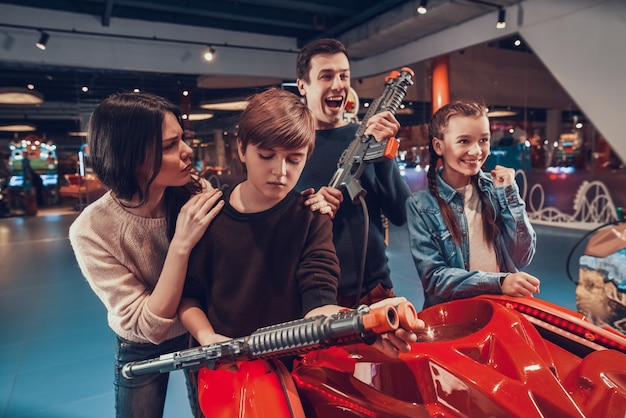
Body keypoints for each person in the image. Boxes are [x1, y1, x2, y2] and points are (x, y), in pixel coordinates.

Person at [179, 88, 421, 378]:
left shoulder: (311, 218)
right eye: (266, 156)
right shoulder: (208, 214)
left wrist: (364, 323)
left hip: (289, 371)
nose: (280, 171)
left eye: (294, 160)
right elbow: (188, 296)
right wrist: (206, 337)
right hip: (222, 370)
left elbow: (318, 303)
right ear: (242, 149)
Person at [69, 92, 225, 418]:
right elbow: (148, 326)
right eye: (170, 146)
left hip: (201, 326)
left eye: (182, 139)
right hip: (141, 343)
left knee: (212, 412)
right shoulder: (92, 230)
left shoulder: (197, 193)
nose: (186, 152)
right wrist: (181, 242)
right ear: (131, 157)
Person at [294, 38, 411, 308]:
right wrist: (309, 209)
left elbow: (401, 214)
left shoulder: (366, 138)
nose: (338, 85)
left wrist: (383, 156)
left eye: (344, 76)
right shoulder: (290, 146)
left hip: (376, 291)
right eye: (326, 76)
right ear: (303, 85)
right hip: (315, 297)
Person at [405, 101, 539, 309]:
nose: (476, 151)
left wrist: (510, 195)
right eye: (464, 141)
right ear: (438, 146)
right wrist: (499, 282)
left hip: (502, 310)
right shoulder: (421, 204)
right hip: (455, 315)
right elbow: (434, 277)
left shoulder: (496, 189)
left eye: (483, 140)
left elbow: (522, 256)